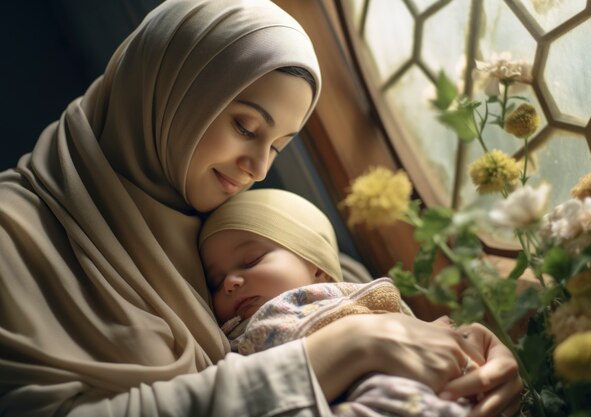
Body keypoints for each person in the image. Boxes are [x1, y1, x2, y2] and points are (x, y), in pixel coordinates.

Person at [0, 0, 522, 416]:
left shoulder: (239, 218)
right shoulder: (13, 236)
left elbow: (351, 301)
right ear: (166, 93)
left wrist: (471, 354)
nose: (257, 167)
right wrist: (339, 352)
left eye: (278, 145)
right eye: (246, 127)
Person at [199, 187, 472, 417]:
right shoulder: (240, 341)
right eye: (215, 281)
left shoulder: (354, 296)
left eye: (251, 260)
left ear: (318, 270)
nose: (230, 282)